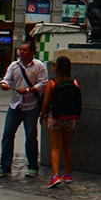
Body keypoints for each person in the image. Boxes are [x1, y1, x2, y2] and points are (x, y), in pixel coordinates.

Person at [0, 42, 48, 178]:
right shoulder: (14, 66)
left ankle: (33, 167)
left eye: (24, 50)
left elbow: (43, 83)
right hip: (15, 106)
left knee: (30, 138)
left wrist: (29, 90)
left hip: (31, 106)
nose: (21, 52)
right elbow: (7, 80)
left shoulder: (39, 66)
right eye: (20, 50)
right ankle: (4, 167)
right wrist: (4, 84)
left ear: (32, 52)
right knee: (7, 136)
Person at [39, 55, 79, 188]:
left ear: (57, 68)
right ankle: (67, 174)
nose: (53, 66)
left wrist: (42, 115)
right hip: (70, 118)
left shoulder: (51, 83)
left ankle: (55, 176)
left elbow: (45, 103)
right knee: (66, 146)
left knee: (55, 147)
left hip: (55, 117)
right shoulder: (74, 83)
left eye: (55, 64)